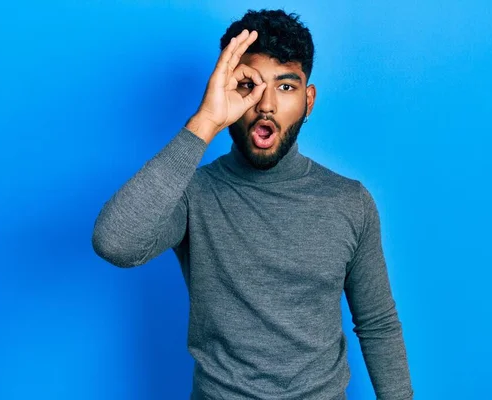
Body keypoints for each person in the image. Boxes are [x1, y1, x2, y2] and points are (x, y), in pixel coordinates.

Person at [92, 8, 414, 400]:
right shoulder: (194, 194)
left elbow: (377, 323)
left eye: (285, 87)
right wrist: (206, 121)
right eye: (250, 85)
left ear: (308, 101)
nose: (265, 106)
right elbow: (115, 243)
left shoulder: (350, 202)